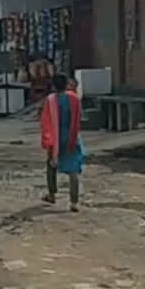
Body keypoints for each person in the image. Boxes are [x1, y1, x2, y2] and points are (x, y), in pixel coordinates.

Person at [40, 74, 85, 212]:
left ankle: (52, 194)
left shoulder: (50, 100)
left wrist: (47, 139)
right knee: (73, 169)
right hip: (71, 135)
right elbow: (78, 118)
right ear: (67, 84)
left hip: (55, 136)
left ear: (53, 86)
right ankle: (74, 202)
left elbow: (46, 121)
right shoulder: (74, 98)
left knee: (51, 164)